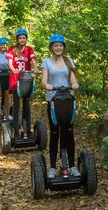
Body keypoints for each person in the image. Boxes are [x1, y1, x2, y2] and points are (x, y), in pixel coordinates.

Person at [41, 34, 80, 179]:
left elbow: (72, 78)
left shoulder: (68, 61)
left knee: (69, 132)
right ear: (51, 47)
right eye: (56, 45)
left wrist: (75, 84)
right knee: (55, 133)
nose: (58, 48)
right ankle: (52, 168)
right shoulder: (46, 62)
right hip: (53, 101)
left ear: (63, 47)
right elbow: (43, 80)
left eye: (61, 45)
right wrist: (47, 85)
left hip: (68, 100)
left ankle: (72, 166)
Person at [6, 29, 39, 140]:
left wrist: (35, 69)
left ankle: (28, 130)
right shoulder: (12, 49)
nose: (22, 40)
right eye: (20, 38)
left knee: (27, 106)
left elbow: (33, 60)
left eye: (24, 38)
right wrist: (13, 69)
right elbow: (10, 63)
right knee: (16, 106)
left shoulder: (29, 49)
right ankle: (16, 131)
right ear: (17, 39)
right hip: (16, 80)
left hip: (26, 80)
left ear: (26, 39)